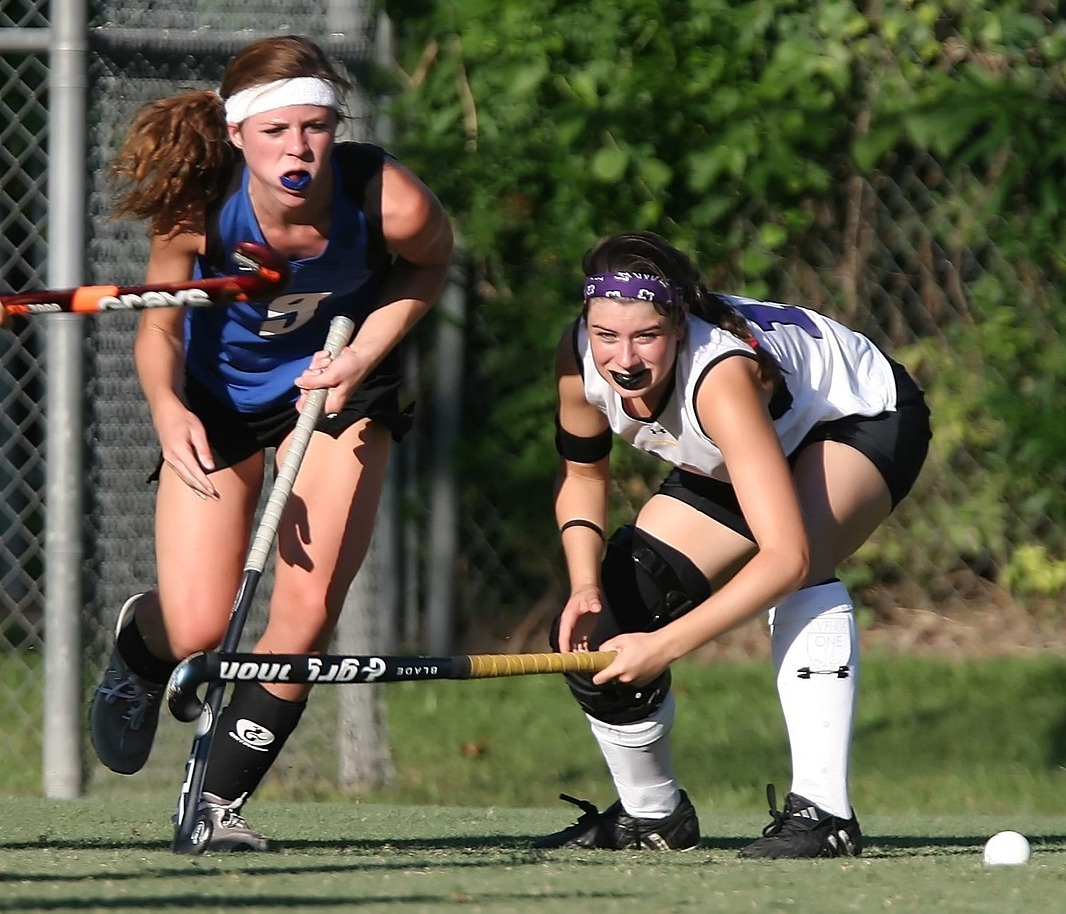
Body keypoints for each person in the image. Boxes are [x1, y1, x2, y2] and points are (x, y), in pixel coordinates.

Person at [88, 35, 453, 851]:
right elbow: (159, 328)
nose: (299, 149)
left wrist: (360, 354)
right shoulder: (199, 207)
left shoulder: (387, 198)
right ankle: (140, 651)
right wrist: (164, 406)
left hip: (337, 395)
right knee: (198, 629)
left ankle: (217, 806)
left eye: (317, 128)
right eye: (278, 131)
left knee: (307, 608)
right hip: (218, 405)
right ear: (237, 133)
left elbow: (430, 264)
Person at [537, 231, 930, 859]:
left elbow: (785, 557)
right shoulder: (577, 357)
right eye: (606, 335)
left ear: (679, 321)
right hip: (736, 451)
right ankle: (652, 814)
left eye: (647, 336)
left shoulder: (719, 376)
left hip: (856, 419)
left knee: (804, 573)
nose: (624, 360)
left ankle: (825, 813)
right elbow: (584, 473)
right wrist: (585, 587)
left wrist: (664, 646)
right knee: (610, 611)